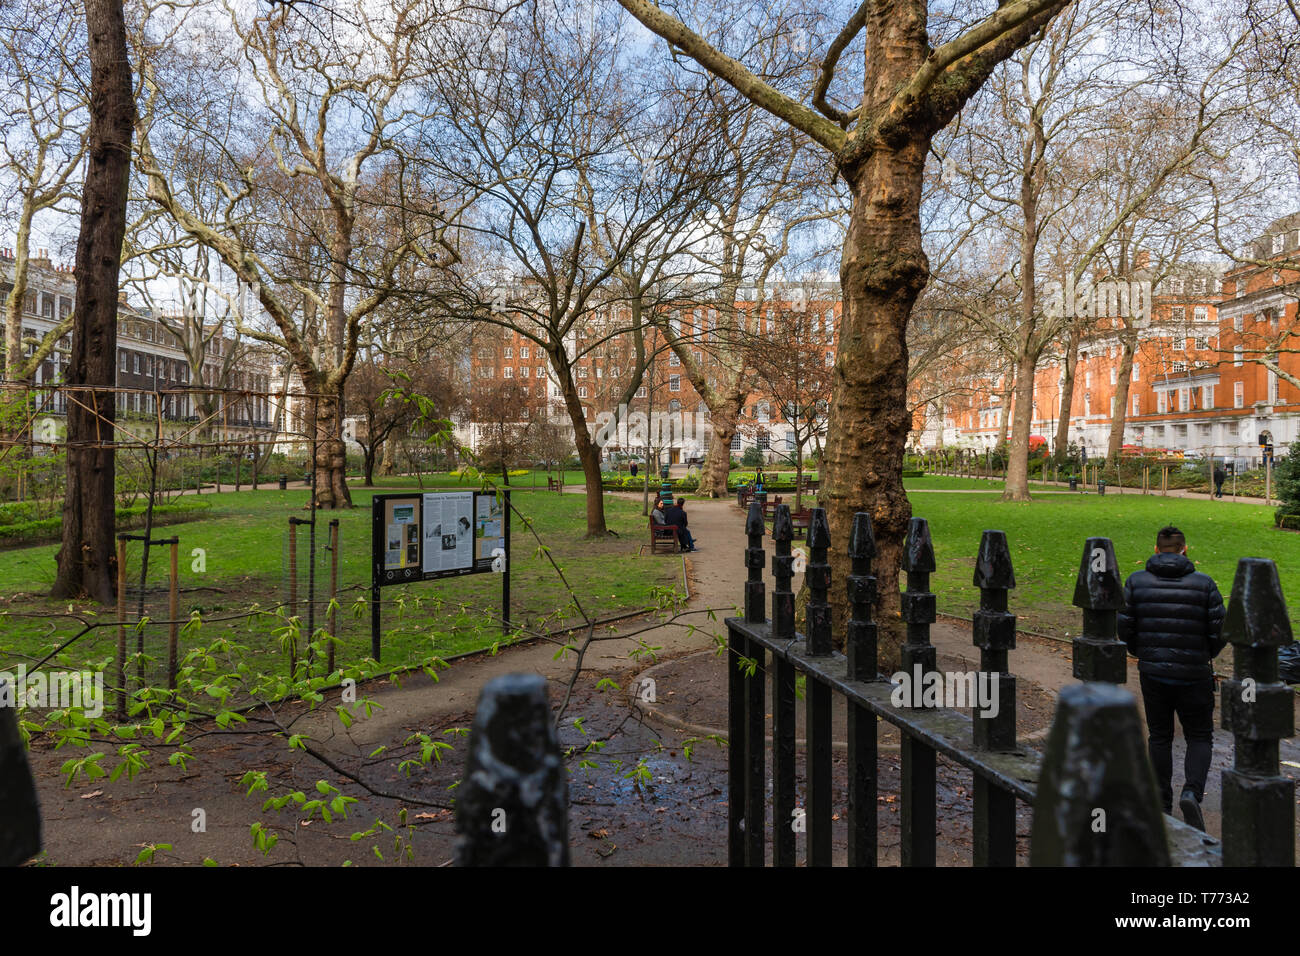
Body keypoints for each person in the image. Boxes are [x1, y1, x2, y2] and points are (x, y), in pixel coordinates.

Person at [1118, 525, 1225, 832]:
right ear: (1184, 549)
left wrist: (1144, 652)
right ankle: (1191, 791)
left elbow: (1125, 627)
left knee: (1160, 736)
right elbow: (1219, 629)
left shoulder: (1136, 582)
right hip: (1194, 673)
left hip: (1154, 672)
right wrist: (1205, 654)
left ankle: (1162, 801)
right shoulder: (1204, 584)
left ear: (1155, 550)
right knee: (1200, 735)